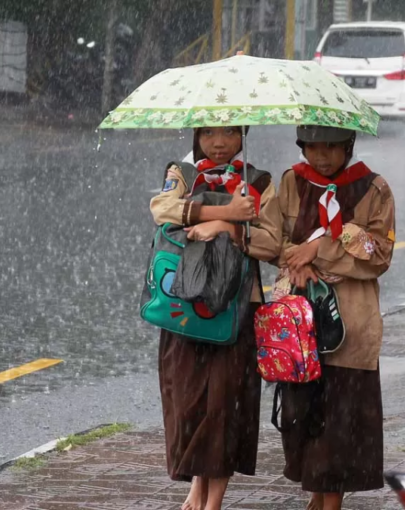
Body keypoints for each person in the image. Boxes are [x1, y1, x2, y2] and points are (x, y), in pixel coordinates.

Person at [149, 125, 282, 510]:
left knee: (226, 402)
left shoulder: (258, 182)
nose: (218, 142)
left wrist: (231, 229)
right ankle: (196, 485)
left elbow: (273, 242)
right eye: (208, 132)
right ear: (196, 134)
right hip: (185, 305)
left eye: (228, 132)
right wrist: (223, 211)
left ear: (244, 133)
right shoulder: (182, 174)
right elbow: (162, 210)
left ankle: (214, 500)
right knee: (188, 399)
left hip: (238, 307)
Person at [274, 125, 395, 510]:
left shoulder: (374, 189)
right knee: (304, 410)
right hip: (300, 322)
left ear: (348, 146)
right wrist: (297, 261)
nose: (321, 156)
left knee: (342, 416)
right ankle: (317, 490)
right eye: (312, 147)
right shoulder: (292, 182)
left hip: (351, 323)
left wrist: (320, 251)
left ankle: (332, 498)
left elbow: (378, 256)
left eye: (331, 147)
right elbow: (271, 237)